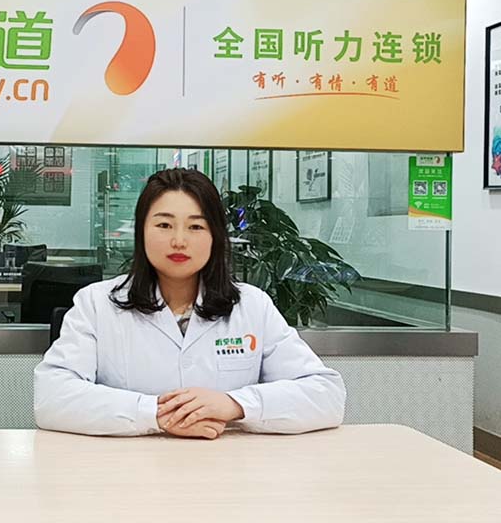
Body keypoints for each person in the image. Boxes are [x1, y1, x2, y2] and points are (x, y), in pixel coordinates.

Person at [34, 168, 345, 439]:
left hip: (228, 468)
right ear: (141, 232)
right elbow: (51, 397)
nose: (179, 241)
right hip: (127, 472)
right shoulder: (97, 304)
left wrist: (235, 404)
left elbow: (326, 395)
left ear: (215, 236)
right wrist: (154, 414)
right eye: (164, 225)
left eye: (196, 226)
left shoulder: (252, 306)